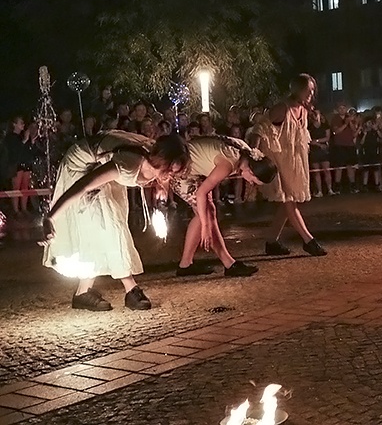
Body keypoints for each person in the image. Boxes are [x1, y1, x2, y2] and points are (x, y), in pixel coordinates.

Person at [39, 132, 189, 311]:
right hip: (81, 165)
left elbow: (160, 175)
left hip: (103, 158)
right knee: (109, 224)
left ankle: (82, 292)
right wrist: (51, 217)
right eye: (169, 171)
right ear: (161, 162)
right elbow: (83, 185)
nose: (170, 177)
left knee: (109, 222)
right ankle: (131, 289)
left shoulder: (156, 158)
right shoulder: (128, 164)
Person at [172, 135, 277, 277]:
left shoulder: (244, 150)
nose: (250, 183)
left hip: (190, 165)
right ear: (251, 170)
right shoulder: (228, 164)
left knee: (209, 211)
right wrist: (205, 227)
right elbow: (201, 193)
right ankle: (226, 264)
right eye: (253, 180)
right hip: (180, 170)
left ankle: (187, 264)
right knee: (206, 213)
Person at [252, 74, 327, 257]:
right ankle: (308, 240)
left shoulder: (303, 110)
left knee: (289, 200)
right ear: (297, 89)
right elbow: (259, 129)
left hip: (294, 162)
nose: (311, 93)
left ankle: (271, 241)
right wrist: (253, 155)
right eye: (308, 90)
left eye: (312, 90)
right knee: (288, 201)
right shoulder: (282, 109)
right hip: (279, 161)